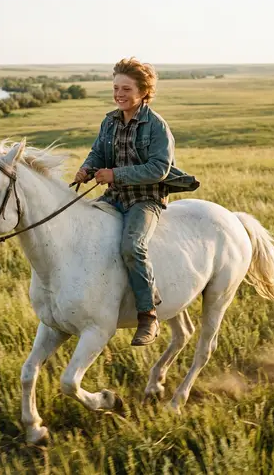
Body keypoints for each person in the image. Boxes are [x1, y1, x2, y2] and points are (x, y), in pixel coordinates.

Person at [75, 58, 199, 346]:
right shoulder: (110, 121)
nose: (119, 94)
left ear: (144, 91)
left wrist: (115, 174)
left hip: (145, 200)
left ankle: (147, 314)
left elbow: (159, 169)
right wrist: (87, 169)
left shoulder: (156, 126)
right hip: (114, 197)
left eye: (126, 89)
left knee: (132, 245)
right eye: (116, 88)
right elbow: (97, 154)